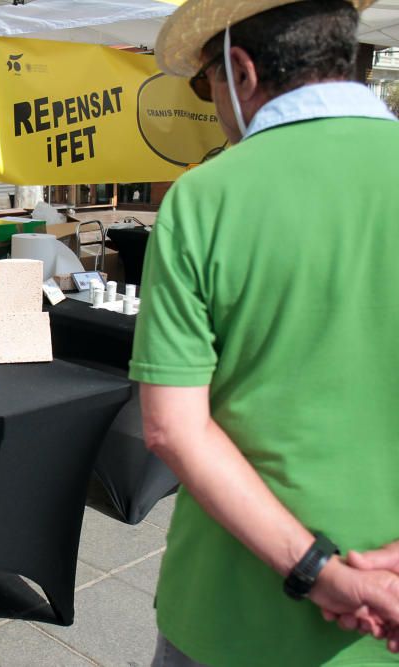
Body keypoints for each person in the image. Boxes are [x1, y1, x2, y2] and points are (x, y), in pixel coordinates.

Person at [131, 1, 399, 665]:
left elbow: (172, 427)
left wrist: (321, 571)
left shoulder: (203, 198)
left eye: (206, 82)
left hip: (230, 611)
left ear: (242, 72)